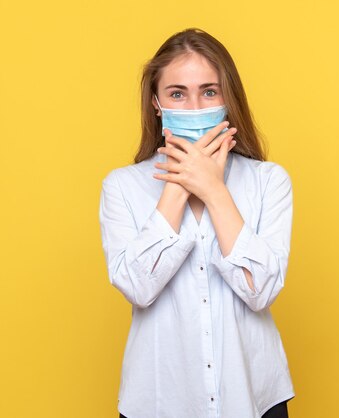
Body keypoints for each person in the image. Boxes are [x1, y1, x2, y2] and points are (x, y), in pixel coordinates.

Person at [99, 28, 295, 418]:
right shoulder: (120, 186)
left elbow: (261, 290)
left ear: (228, 99)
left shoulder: (269, 181)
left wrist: (215, 191)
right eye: (177, 93)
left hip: (253, 397)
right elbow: (138, 287)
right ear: (157, 103)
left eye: (209, 91)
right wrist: (180, 184)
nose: (193, 106)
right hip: (157, 400)